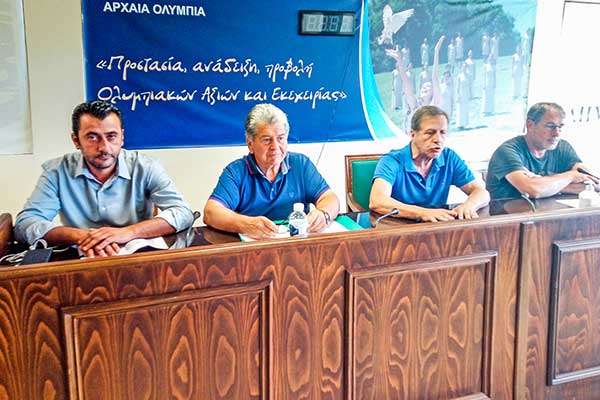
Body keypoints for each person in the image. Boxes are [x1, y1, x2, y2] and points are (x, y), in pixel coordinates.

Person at [14, 100, 194, 257]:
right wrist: (83, 236)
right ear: (76, 140)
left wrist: (128, 232)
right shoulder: (56, 171)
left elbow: (183, 212)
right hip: (83, 257)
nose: (104, 147)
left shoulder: (146, 166)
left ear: (122, 137)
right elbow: (25, 224)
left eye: (111, 136)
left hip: (137, 257)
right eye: (92, 137)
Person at [203, 103, 340, 239]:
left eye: (280, 138)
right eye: (267, 140)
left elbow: (330, 198)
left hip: (296, 246)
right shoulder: (236, 172)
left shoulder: (301, 164)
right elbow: (211, 213)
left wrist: (324, 214)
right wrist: (246, 224)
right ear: (250, 144)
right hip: (254, 248)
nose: (275, 146)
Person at [369, 105, 489, 222]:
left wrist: (468, 206)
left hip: (435, 226)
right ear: (413, 135)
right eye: (430, 133)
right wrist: (423, 212)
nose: (438, 139)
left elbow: (481, 192)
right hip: (398, 227)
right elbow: (377, 200)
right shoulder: (392, 160)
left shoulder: (449, 157)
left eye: (442, 132)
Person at [486, 102, 599, 200]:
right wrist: (570, 176)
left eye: (560, 127)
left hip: (551, 213)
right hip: (509, 215)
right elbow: (532, 190)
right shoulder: (507, 151)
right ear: (530, 125)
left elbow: (594, 184)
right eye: (550, 126)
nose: (557, 134)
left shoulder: (562, 147)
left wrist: (547, 185)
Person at [386, 36, 445, 135]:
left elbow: (434, 78)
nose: (425, 87)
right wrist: (399, 61)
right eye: (424, 86)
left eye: (428, 87)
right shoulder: (415, 105)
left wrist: (436, 52)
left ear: (433, 93)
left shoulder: (434, 105)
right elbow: (406, 82)